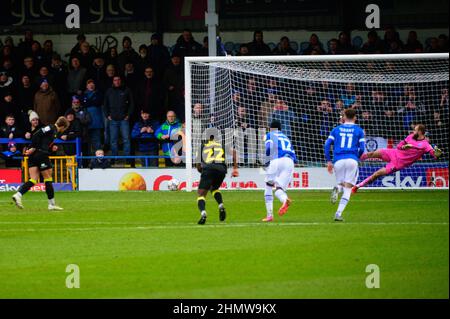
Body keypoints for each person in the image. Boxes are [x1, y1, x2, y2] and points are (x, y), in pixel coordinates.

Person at [353, 124, 443, 193]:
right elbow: (399, 146)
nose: (413, 131)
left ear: (420, 132)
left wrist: (437, 154)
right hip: (394, 153)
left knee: (377, 173)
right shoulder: (410, 136)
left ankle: (357, 186)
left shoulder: (425, 144)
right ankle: (354, 157)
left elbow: (434, 155)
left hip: (398, 163)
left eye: (415, 130)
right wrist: (404, 147)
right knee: (372, 153)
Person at [12, 116, 70, 210]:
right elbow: (36, 134)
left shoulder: (53, 131)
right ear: (63, 126)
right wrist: (33, 147)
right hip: (41, 154)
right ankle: (51, 204)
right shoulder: (51, 128)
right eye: (64, 129)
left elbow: (43, 140)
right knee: (48, 178)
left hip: (34, 155)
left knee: (33, 179)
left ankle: (18, 195)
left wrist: (51, 148)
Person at [324, 108, 365, 222]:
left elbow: (327, 145)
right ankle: (338, 213)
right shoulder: (359, 130)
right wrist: (357, 156)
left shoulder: (336, 129)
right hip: (352, 159)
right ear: (355, 117)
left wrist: (329, 161)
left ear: (344, 116)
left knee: (341, 183)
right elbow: (362, 148)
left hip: (338, 160)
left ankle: (337, 187)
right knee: (348, 188)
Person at [196, 132, 239, 225]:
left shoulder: (202, 146)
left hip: (208, 169)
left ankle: (203, 214)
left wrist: (202, 173)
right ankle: (221, 205)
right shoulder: (221, 145)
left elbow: (198, 166)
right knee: (214, 188)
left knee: (201, 194)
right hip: (221, 170)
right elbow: (235, 153)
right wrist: (235, 169)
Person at [262, 119, 297, 222]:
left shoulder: (270, 134)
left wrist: (267, 161)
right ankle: (285, 200)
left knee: (268, 186)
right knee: (279, 189)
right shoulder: (286, 137)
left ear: (271, 128)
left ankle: (270, 215)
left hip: (276, 160)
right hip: (289, 161)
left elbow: (269, 147)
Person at [103, 75, 134, 160]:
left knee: (126, 139)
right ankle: (114, 158)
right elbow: (105, 105)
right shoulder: (109, 91)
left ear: (121, 81)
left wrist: (128, 114)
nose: (117, 81)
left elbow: (132, 104)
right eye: (115, 80)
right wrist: (107, 115)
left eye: (118, 79)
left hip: (124, 119)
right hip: (113, 120)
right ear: (113, 81)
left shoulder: (126, 90)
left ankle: (128, 158)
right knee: (113, 140)